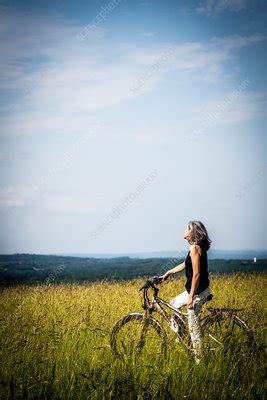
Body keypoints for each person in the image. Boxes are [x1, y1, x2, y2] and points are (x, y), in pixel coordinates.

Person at [159, 220, 212, 364]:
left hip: (196, 294)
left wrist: (191, 298)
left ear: (192, 231)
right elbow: (186, 264)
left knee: (194, 330)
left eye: (186, 228)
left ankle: (200, 362)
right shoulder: (196, 248)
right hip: (195, 291)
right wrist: (169, 272)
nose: (184, 231)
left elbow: (196, 275)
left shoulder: (195, 248)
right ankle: (181, 337)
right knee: (173, 304)